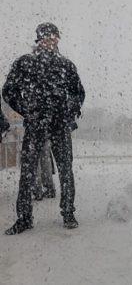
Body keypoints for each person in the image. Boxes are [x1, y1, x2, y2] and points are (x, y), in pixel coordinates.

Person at [2, 23, 85, 235]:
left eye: (54, 37)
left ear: (58, 39)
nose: (51, 41)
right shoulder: (25, 63)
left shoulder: (66, 65)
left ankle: (68, 213)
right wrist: (26, 111)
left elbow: (78, 93)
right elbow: (8, 91)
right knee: (27, 173)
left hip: (60, 126)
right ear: (39, 39)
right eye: (47, 37)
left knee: (66, 171)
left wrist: (69, 111)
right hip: (35, 126)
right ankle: (24, 218)